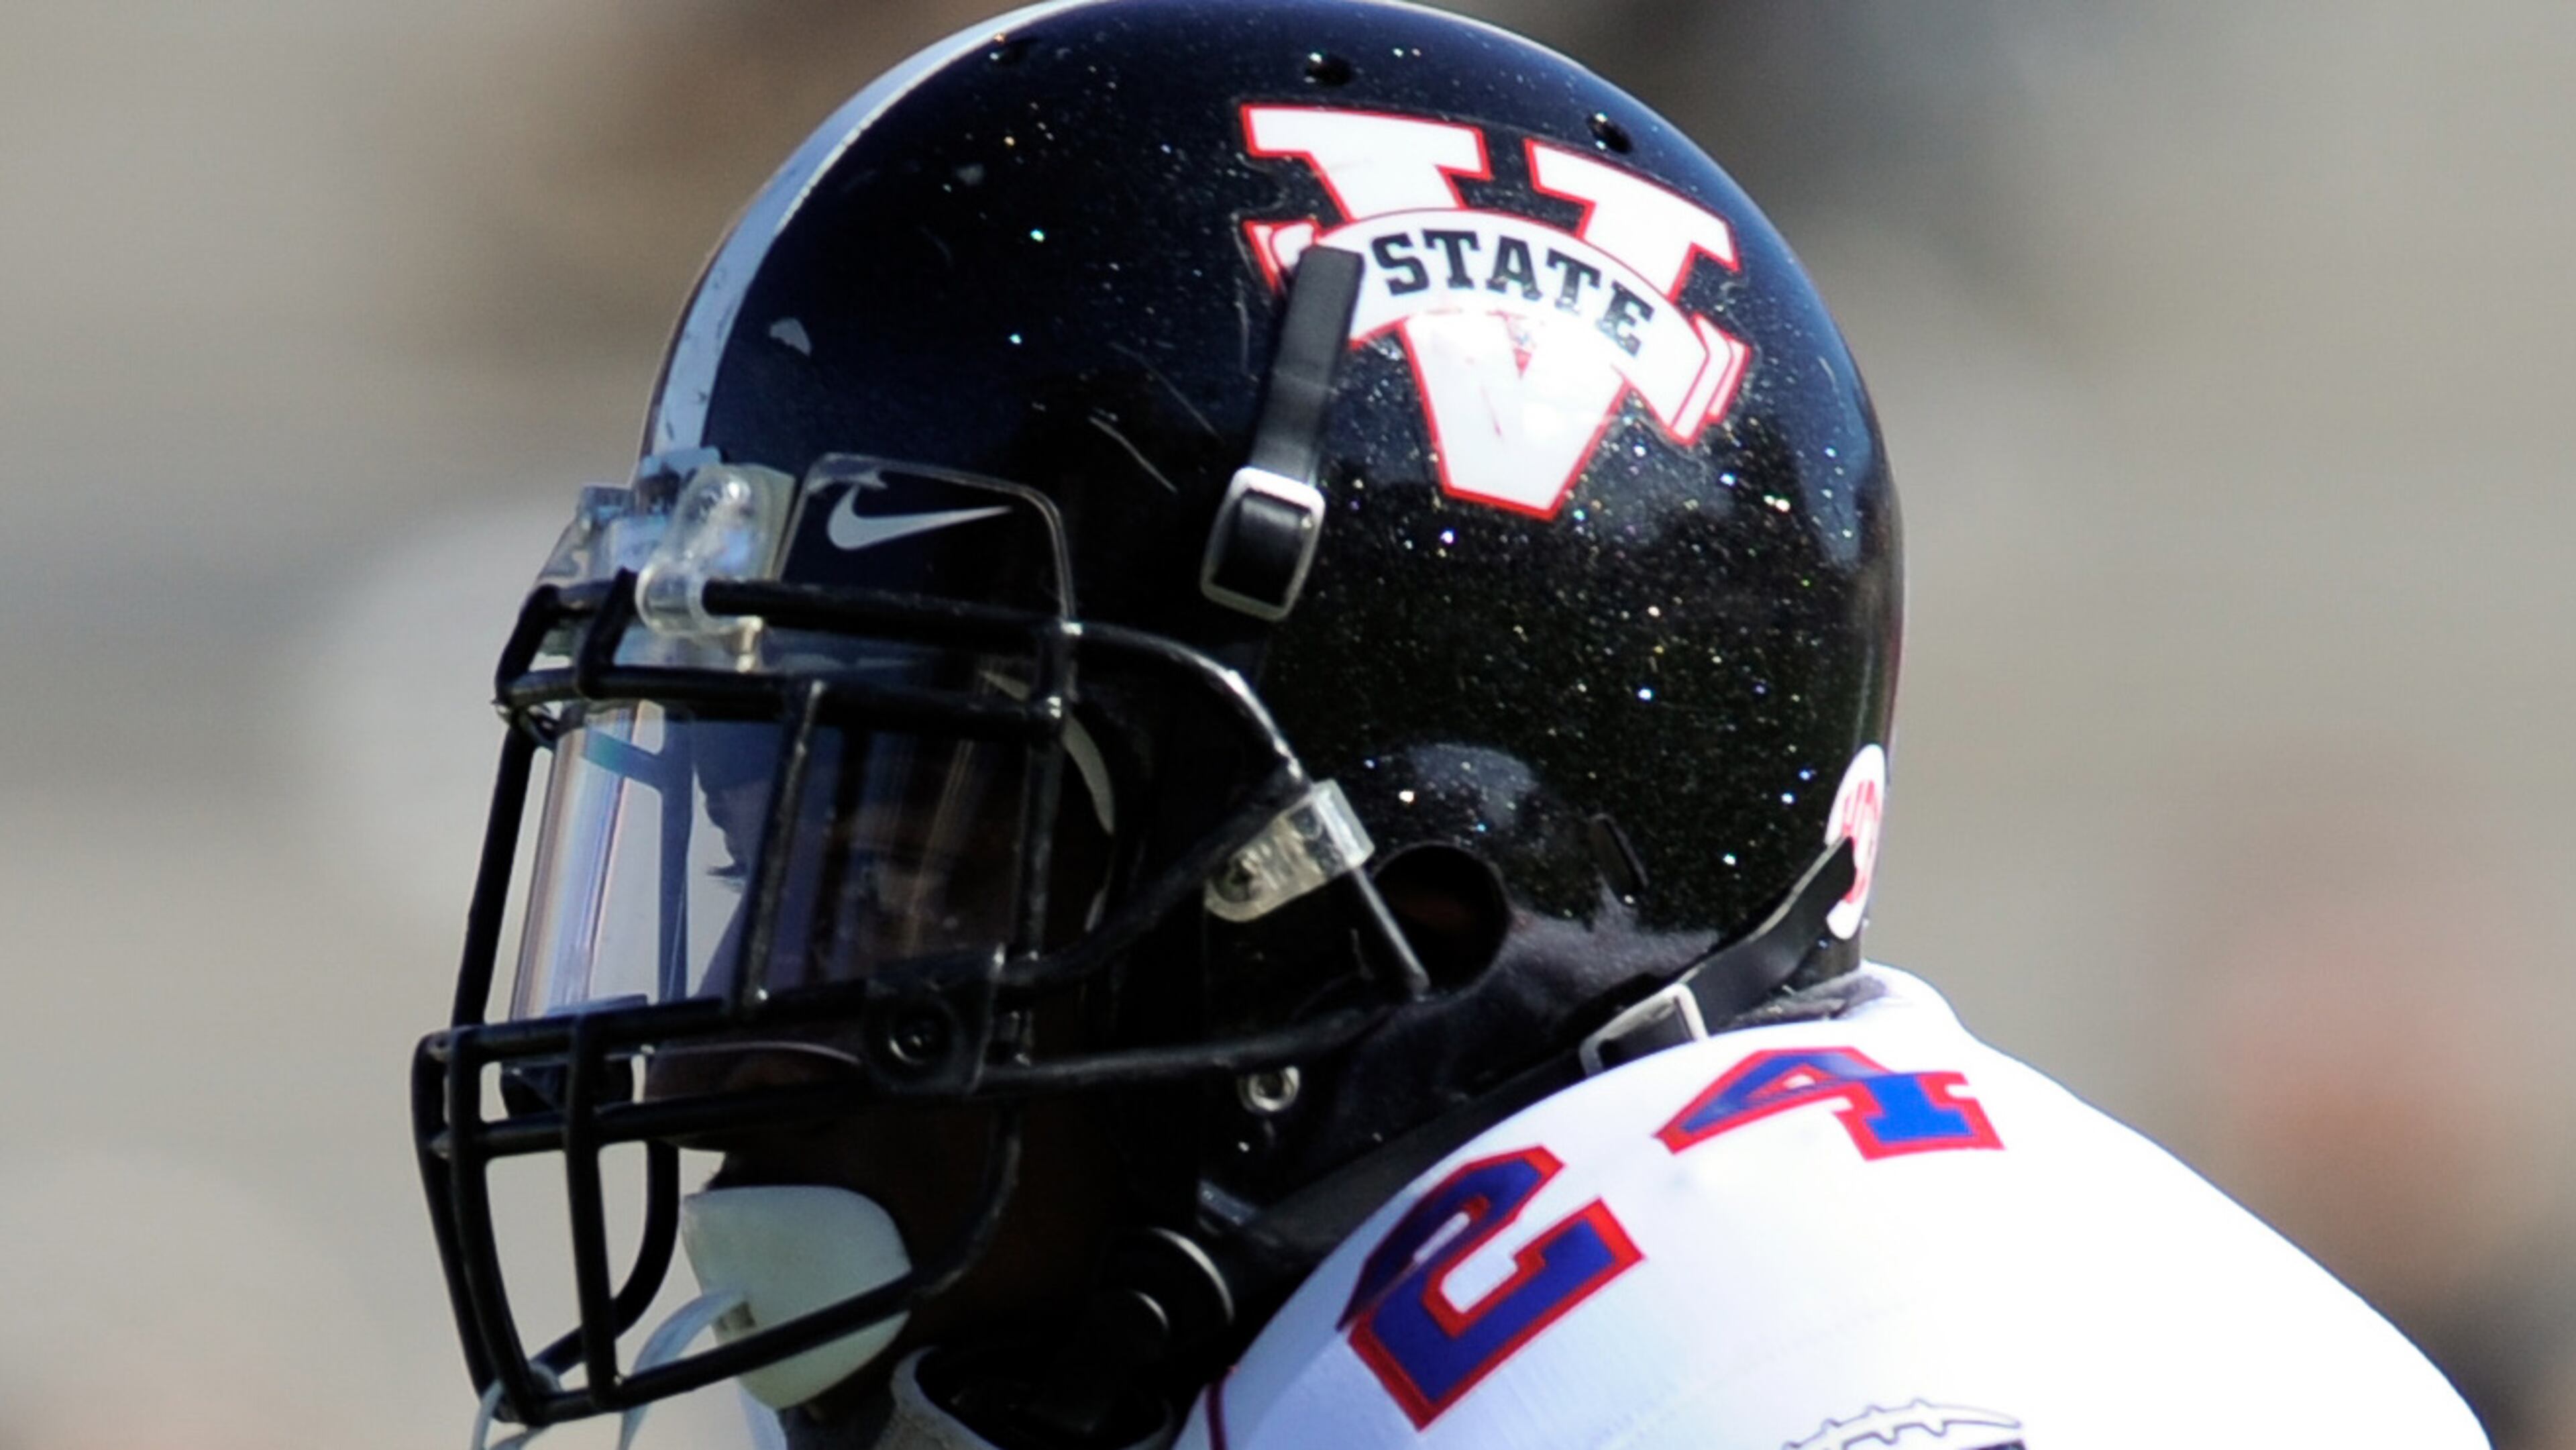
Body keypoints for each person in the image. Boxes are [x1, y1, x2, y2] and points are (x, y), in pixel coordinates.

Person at [409, 1, 2489, 1446]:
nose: (719, 1047)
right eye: (750, 855)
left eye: (885, 859)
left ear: (1378, 905)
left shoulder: (1806, 1375)